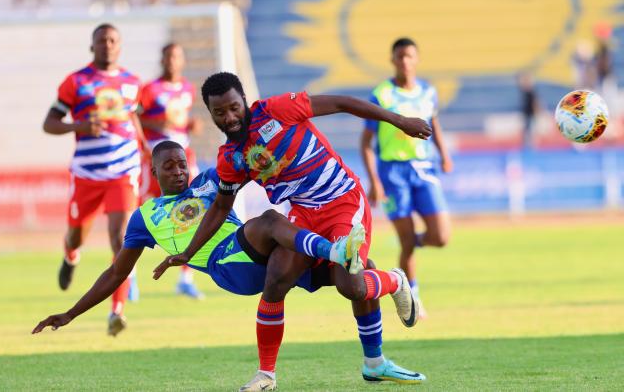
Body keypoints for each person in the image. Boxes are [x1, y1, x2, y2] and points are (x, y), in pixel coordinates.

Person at [32, 142, 423, 391]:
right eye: (168, 166)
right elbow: (116, 273)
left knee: (357, 278)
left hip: (261, 254)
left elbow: (246, 161)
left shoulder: (208, 181)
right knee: (271, 220)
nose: (178, 170)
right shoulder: (144, 217)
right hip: (228, 265)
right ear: (154, 173)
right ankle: (335, 253)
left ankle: (377, 350)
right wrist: (70, 313)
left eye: (181, 163)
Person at [153, 72, 433, 390]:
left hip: (342, 200)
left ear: (243, 101)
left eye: (233, 107)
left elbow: (342, 102)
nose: (229, 117)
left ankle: (393, 289)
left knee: (352, 287)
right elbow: (220, 207)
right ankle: (266, 375)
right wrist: (187, 254)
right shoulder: (231, 157)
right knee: (277, 276)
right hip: (302, 213)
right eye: (220, 112)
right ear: (211, 113)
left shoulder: (277, 110)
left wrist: (399, 121)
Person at [42, 23, 149, 336]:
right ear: (92, 46)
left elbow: (134, 117)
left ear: (120, 45)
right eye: (101, 40)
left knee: (120, 238)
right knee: (77, 235)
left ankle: (117, 310)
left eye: (113, 39)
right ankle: (70, 253)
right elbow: (49, 123)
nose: (108, 44)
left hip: (123, 172)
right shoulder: (76, 82)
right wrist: (78, 127)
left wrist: (145, 152)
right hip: (88, 173)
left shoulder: (133, 82)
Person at [360, 37, 452, 320]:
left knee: (441, 237)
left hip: (424, 169)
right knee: (407, 242)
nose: (405, 61)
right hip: (393, 174)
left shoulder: (428, 92)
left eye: (409, 56)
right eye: (399, 57)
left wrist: (444, 154)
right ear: (392, 60)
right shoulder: (381, 95)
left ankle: (411, 243)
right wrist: (374, 181)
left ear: (417, 59)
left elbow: (433, 125)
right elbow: (365, 142)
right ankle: (412, 295)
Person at [139, 43, 205, 299]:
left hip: (182, 155)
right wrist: (157, 123)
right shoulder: (149, 89)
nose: (171, 61)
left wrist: (190, 125)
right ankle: (129, 276)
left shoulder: (188, 89)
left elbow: (180, 123)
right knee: (141, 209)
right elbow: (137, 118)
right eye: (167, 56)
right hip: (155, 158)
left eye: (176, 56)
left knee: (190, 211)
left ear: (182, 60)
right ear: (162, 59)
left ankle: (186, 278)